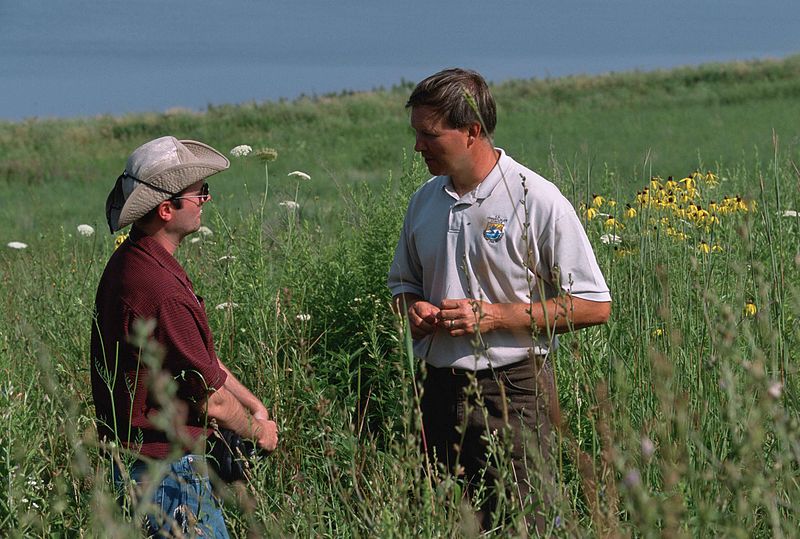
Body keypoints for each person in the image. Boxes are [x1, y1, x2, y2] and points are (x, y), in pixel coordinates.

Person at [388, 68, 611, 531]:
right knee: (445, 520)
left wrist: (494, 317)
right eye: (416, 134)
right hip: (436, 387)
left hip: (513, 390)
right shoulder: (424, 201)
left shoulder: (535, 199)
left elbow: (593, 305)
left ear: (471, 131)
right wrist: (413, 309)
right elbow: (402, 284)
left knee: (520, 521)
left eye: (429, 135)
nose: (418, 147)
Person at [91, 136, 278, 537]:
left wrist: (252, 402)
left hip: (142, 467)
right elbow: (211, 401)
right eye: (199, 194)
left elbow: (197, 363)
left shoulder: (134, 260)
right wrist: (260, 431)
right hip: (166, 476)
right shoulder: (161, 288)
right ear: (166, 209)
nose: (206, 200)